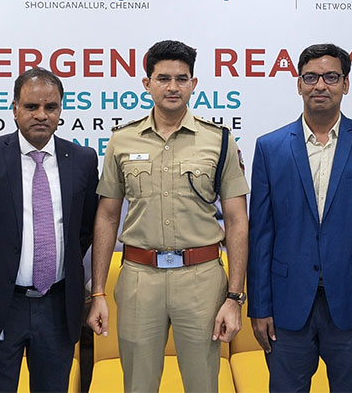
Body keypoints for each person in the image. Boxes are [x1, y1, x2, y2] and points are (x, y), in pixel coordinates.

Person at [86, 40, 250, 392]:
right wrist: (98, 292)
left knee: (203, 385)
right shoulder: (122, 140)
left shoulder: (219, 140)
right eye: (163, 78)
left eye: (181, 78)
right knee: (138, 385)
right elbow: (107, 217)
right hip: (139, 279)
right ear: (147, 84)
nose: (172, 87)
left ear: (193, 83)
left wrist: (234, 297)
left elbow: (237, 220)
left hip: (201, 279)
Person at [248, 43, 352, 392]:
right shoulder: (270, 147)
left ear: (345, 84)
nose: (320, 85)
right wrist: (259, 307)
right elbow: (261, 236)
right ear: (298, 84)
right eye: (311, 77)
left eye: (331, 77)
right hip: (286, 307)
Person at [0, 67, 98, 392]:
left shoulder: (82, 159)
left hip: (57, 307)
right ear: (15, 109)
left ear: (60, 110)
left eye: (50, 107)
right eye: (31, 106)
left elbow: (85, 229)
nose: (41, 115)